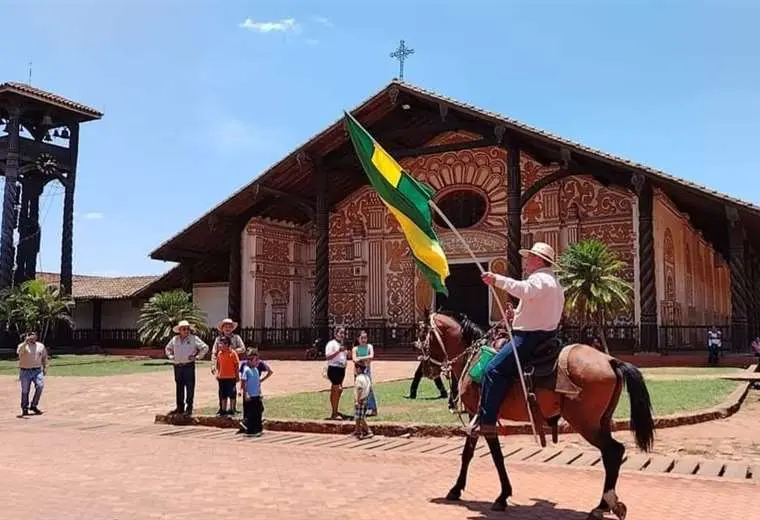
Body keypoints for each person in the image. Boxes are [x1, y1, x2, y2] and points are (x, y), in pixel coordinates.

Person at [469, 242, 565, 437]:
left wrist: (496, 279)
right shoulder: (555, 283)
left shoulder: (539, 279)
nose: (526, 260)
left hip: (528, 338)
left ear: (539, 260)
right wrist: (517, 316)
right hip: (548, 336)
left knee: (493, 369)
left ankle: (486, 421)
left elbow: (524, 290)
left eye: (529, 257)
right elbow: (537, 308)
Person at [165, 320, 209, 416]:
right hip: (177, 366)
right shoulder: (174, 339)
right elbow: (168, 348)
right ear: (179, 330)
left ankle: (189, 408)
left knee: (190, 387)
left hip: (188, 365)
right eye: (184, 329)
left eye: (188, 329)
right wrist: (171, 357)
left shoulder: (194, 338)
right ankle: (179, 407)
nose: (186, 331)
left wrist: (197, 357)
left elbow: (205, 347)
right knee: (179, 387)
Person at [239, 349, 271, 436]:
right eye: (253, 360)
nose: (256, 362)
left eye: (257, 360)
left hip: (257, 394)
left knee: (259, 410)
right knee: (252, 412)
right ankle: (248, 427)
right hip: (251, 395)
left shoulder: (256, 370)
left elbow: (257, 383)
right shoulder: (246, 370)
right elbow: (244, 383)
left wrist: (260, 393)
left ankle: (258, 428)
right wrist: (245, 394)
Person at [17, 331, 48, 417]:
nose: (32, 337)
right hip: (25, 371)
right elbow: (19, 353)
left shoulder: (40, 346)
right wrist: (25, 342)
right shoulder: (22, 346)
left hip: (37, 370)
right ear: (27, 336)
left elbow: (44, 357)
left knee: (40, 386)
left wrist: (45, 367)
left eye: (34, 336)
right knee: (25, 390)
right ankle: (24, 408)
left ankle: (34, 405)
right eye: (30, 336)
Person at [325, 327, 349, 420]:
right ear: (336, 334)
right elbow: (328, 357)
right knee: (336, 389)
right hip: (334, 368)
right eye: (341, 333)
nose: (342, 335)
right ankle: (334, 413)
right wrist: (338, 351)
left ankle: (335, 410)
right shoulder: (331, 344)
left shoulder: (342, 344)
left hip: (341, 369)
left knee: (338, 391)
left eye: (344, 333)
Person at [352, 330, 377, 416]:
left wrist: (360, 358)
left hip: (366, 370)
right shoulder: (355, 348)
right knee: (359, 389)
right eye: (362, 338)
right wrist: (365, 359)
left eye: (365, 338)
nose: (364, 340)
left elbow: (371, 356)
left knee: (368, 389)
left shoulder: (369, 346)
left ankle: (373, 408)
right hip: (358, 371)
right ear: (358, 339)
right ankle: (360, 408)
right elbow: (354, 359)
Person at [214, 336, 240, 416]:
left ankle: (232, 409)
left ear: (227, 344)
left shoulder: (233, 353)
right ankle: (223, 409)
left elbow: (236, 365)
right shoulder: (219, 353)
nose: (219, 346)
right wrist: (218, 373)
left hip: (231, 377)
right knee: (222, 394)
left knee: (232, 393)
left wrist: (237, 375)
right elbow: (218, 364)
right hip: (222, 377)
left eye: (221, 344)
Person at [352, 361, 373, 440]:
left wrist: (357, 400)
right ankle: (357, 431)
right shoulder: (367, 377)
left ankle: (368, 431)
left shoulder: (358, 378)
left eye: (356, 368)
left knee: (360, 417)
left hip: (360, 399)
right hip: (365, 398)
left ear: (359, 369)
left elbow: (359, 389)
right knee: (358, 416)